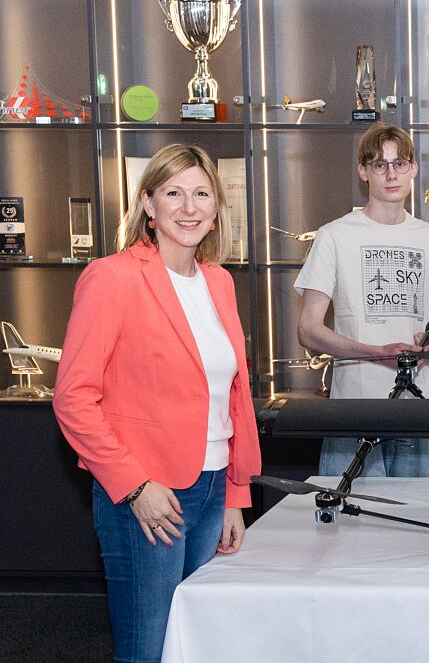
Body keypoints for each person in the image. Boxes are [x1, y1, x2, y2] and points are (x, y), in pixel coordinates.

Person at [53, 143, 262, 663]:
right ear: (148, 204)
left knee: (195, 644)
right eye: (173, 192)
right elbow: (74, 397)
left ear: (216, 209)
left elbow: (233, 397)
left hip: (212, 489)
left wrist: (235, 493)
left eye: (200, 194)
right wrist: (135, 485)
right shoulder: (113, 277)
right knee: (148, 647)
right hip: (147, 496)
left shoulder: (219, 282)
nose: (188, 207)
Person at [295, 123, 429, 477]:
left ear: (413, 168)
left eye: (399, 163)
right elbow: (308, 330)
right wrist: (375, 353)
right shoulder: (334, 236)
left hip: (421, 405)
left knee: (425, 518)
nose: (391, 174)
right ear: (363, 171)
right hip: (356, 407)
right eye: (379, 165)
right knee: (352, 524)